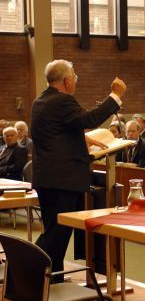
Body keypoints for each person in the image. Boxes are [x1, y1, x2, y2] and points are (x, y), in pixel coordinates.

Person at [31, 59, 126, 283]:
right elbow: (90, 118)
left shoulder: (40, 101)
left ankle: (52, 277)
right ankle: (25, 265)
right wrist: (115, 95)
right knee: (58, 232)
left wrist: (81, 136)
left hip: (47, 178)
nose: (76, 81)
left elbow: (54, 131)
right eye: (75, 77)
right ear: (66, 80)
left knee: (55, 228)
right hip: (65, 179)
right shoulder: (63, 100)